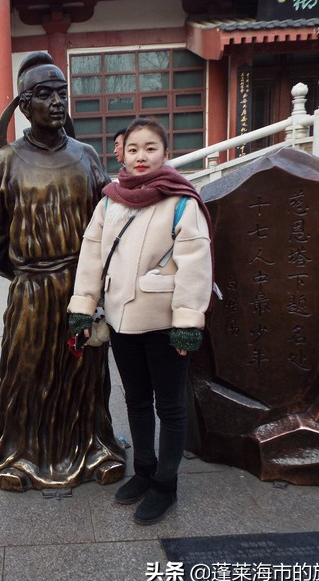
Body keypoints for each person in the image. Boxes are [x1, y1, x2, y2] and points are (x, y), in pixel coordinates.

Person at [0, 52, 126, 492]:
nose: (56, 102)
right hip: (33, 288)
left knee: (85, 370)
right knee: (28, 371)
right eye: (44, 94)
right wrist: (26, 274)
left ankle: (93, 445)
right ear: (25, 105)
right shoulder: (7, 161)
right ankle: (21, 454)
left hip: (82, 285)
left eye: (62, 93)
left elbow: (106, 219)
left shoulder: (86, 155)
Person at [68, 118, 212, 525]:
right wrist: (82, 307)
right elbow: (91, 255)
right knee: (135, 400)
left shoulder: (181, 201)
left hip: (164, 324)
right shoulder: (109, 201)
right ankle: (144, 471)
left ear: (165, 153)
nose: (141, 156)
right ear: (123, 154)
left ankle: (166, 485)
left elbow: (195, 266)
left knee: (170, 405)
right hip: (120, 322)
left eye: (150, 148)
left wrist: (187, 322)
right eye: (134, 149)